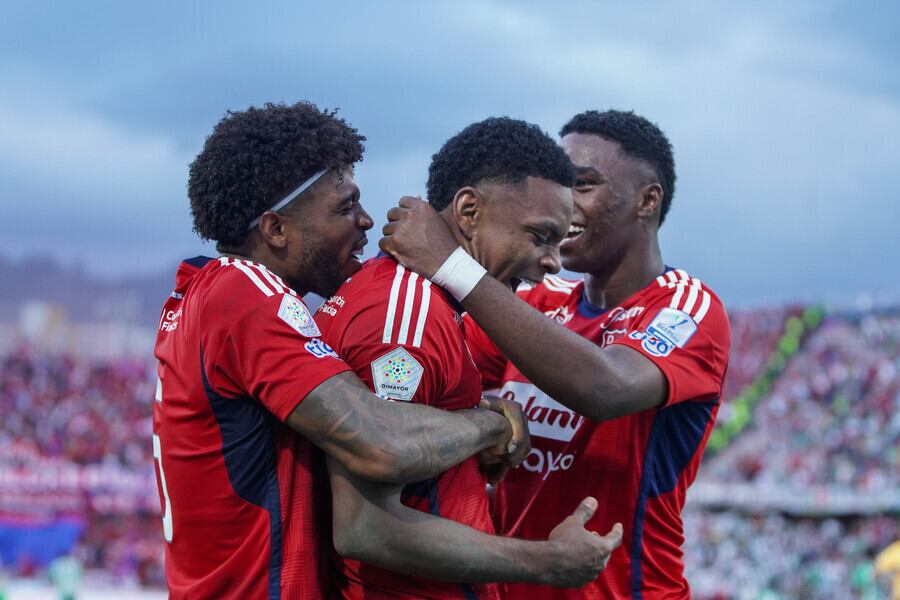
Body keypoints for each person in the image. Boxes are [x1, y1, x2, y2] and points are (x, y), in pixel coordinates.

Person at [153, 101, 611, 599]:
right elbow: (380, 451)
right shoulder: (244, 292)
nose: (368, 221)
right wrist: (494, 428)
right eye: (344, 207)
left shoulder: (215, 295)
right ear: (276, 229)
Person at [379, 110, 731, 599]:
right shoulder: (539, 301)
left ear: (647, 200)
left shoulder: (687, 306)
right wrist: (492, 420)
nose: (567, 202)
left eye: (583, 184)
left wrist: (450, 264)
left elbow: (605, 388)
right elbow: (440, 381)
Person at [316, 117, 623, 599]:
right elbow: (366, 526)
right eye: (540, 236)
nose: (553, 262)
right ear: (469, 211)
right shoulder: (406, 318)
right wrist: (547, 561)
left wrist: (478, 429)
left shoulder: (436, 305)